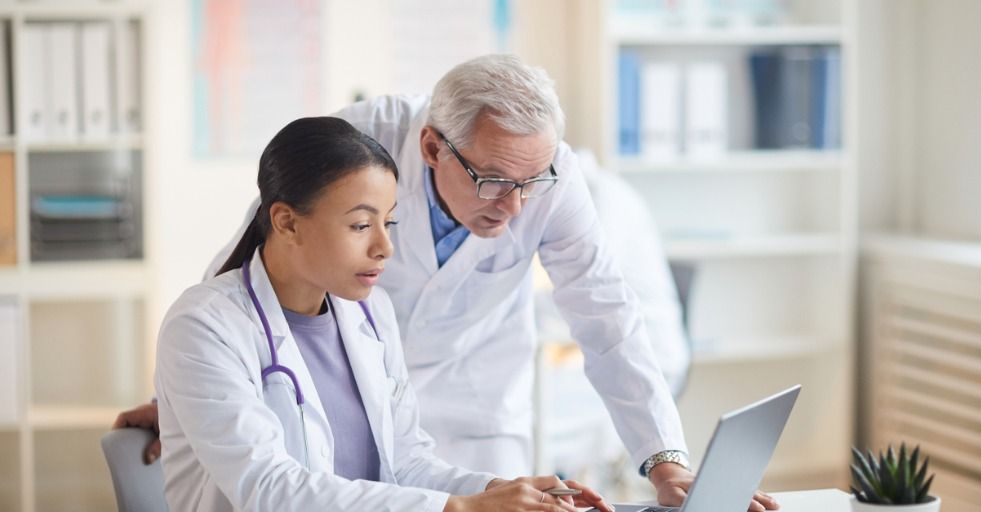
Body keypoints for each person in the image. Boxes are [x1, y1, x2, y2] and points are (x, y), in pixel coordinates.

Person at [120, 55, 778, 511]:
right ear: (432, 147)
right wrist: (191, 394)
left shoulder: (545, 176)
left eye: (530, 183)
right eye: (493, 181)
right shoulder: (362, 147)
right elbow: (257, 248)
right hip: (331, 418)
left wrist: (664, 461)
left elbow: (607, 319)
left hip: (468, 405)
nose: (515, 205)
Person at [154, 116, 611, 511]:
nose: (384, 246)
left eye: (388, 222)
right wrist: (461, 507)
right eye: (360, 225)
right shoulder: (204, 325)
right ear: (286, 221)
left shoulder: (370, 314)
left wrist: (499, 491)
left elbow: (406, 461)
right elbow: (269, 490)